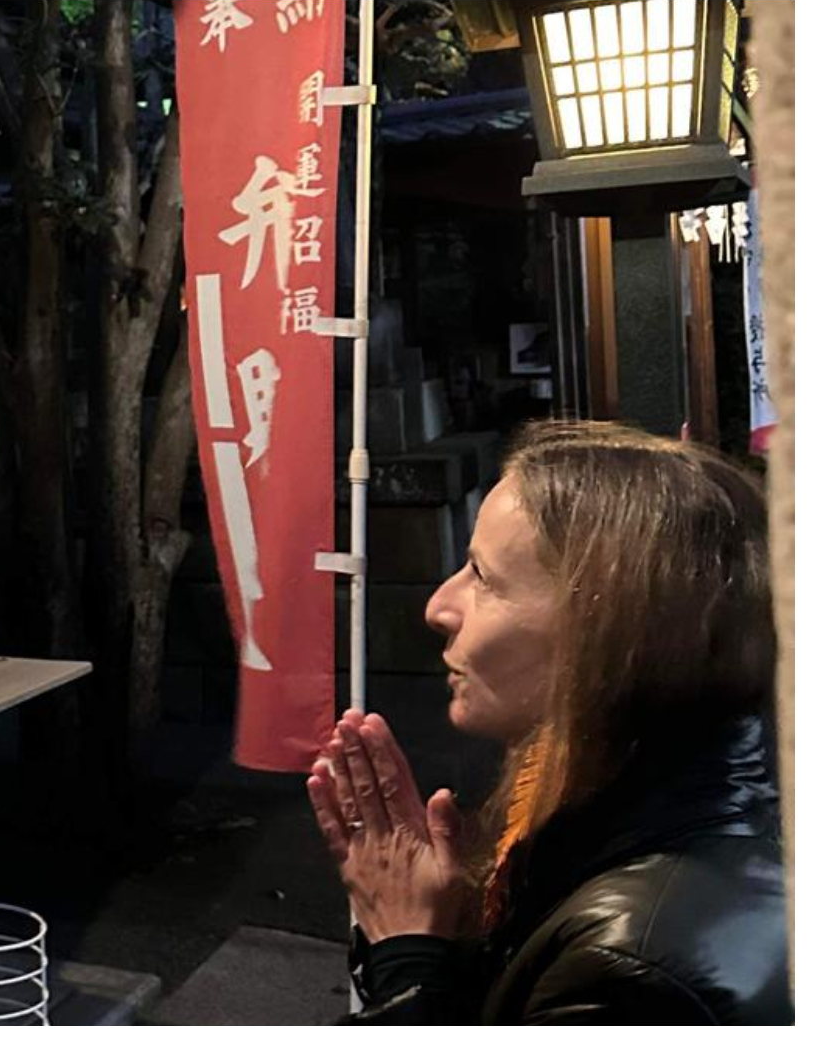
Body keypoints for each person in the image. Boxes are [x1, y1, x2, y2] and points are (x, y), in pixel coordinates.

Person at [306, 420, 791, 1024]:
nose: (438, 607)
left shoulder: (633, 974)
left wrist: (410, 960)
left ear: (608, 635)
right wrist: (455, 937)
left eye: (483, 577)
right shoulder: (623, 801)